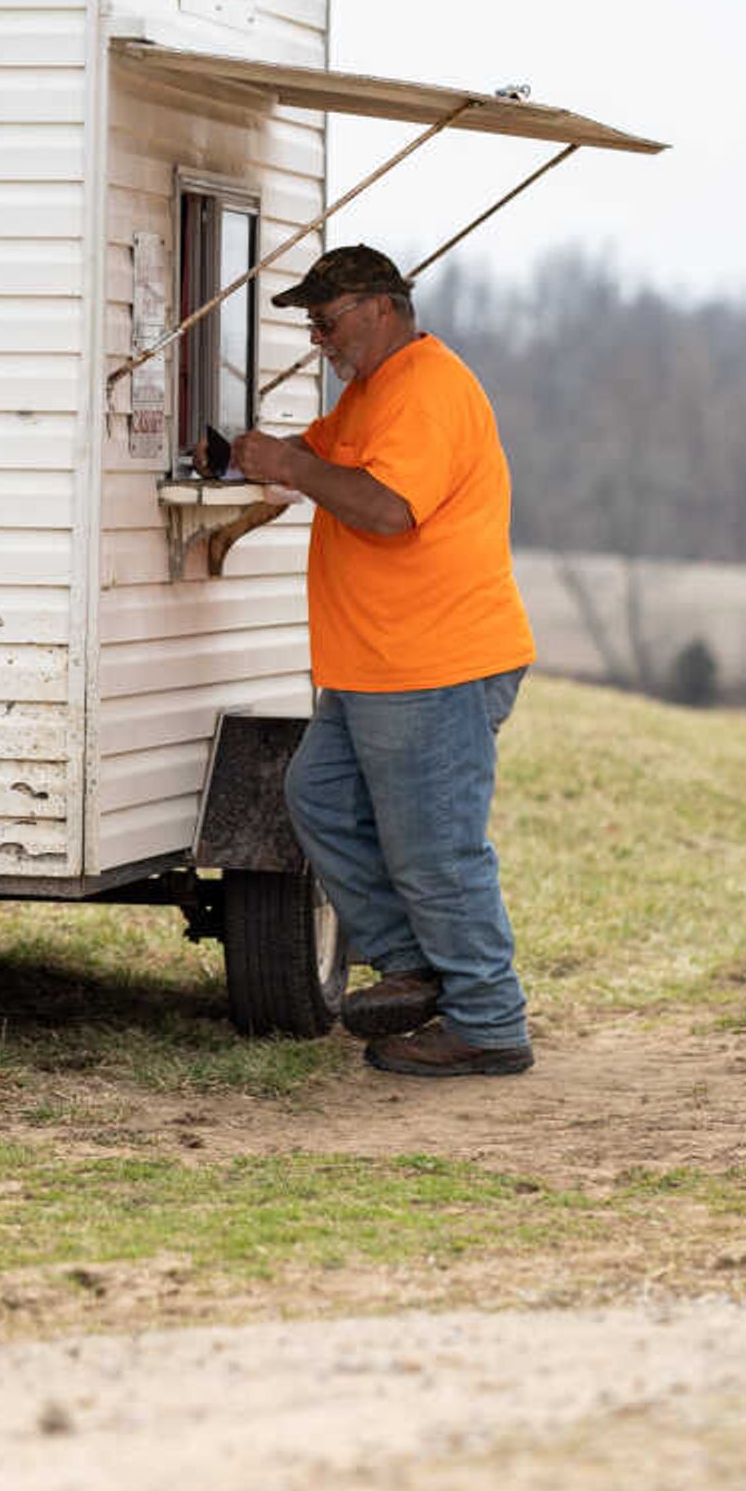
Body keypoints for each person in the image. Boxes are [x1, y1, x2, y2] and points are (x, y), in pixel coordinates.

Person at [232, 245, 537, 1078]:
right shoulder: (374, 392)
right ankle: (415, 970)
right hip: (379, 666)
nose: (318, 340)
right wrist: (240, 455)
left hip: (433, 660)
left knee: (435, 849)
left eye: (326, 323)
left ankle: (488, 1020)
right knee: (318, 795)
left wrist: (291, 466)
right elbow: (317, 461)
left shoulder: (428, 392)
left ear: (379, 308)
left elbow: (387, 507)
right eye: (311, 325)